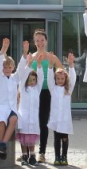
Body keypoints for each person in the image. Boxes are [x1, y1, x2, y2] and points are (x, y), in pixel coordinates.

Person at [29, 29, 62, 163]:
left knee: (43, 123)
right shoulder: (31, 58)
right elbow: (26, 76)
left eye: (42, 40)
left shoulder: (52, 57)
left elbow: (62, 72)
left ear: (46, 41)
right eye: (37, 40)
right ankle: (28, 152)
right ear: (34, 42)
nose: (40, 43)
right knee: (31, 122)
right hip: (33, 93)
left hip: (48, 93)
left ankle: (41, 152)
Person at [0, 38, 27, 160]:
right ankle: (2, 148)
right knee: (1, 123)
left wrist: (25, 53)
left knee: (13, 119)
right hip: (0, 106)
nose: (7, 69)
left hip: (11, 107)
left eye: (9, 67)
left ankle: (2, 144)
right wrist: (3, 49)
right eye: (5, 67)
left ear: (12, 67)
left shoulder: (15, 77)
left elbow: (22, 69)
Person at [47, 52, 76, 166]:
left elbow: (73, 78)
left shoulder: (68, 90)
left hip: (65, 119)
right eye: (58, 78)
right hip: (55, 118)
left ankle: (64, 157)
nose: (60, 80)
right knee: (56, 139)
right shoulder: (52, 89)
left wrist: (71, 65)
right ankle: (57, 157)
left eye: (62, 78)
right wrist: (50, 65)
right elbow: (49, 78)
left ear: (65, 79)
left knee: (64, 138)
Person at [17, 50, 44, 166]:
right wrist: (28, 64)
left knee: (31, 138)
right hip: (23, 116)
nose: (32, 82)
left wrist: (38, 65)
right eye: (30, 80)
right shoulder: (23, 89)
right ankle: (24, 155)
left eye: (34, 80)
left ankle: (32, 155)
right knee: (23, 137)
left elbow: (41, 77)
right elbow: (22, 78)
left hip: (33, 118)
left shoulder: (37, 89)